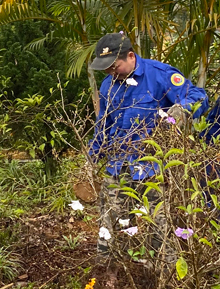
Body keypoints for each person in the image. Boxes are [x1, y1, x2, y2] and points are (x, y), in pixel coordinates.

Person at [87, 32, 207, 260]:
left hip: (154, 168)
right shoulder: (107, 86)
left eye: (114, 66)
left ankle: (160, 279)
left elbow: (198, 96)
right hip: (118, 167)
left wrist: (181, 110)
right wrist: (92, 157)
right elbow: (103, 125)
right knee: (110, 227)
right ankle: (109, 279)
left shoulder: (159, 75)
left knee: (160, 226)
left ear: (131, 56)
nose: (110, 72)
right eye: (106, 69)